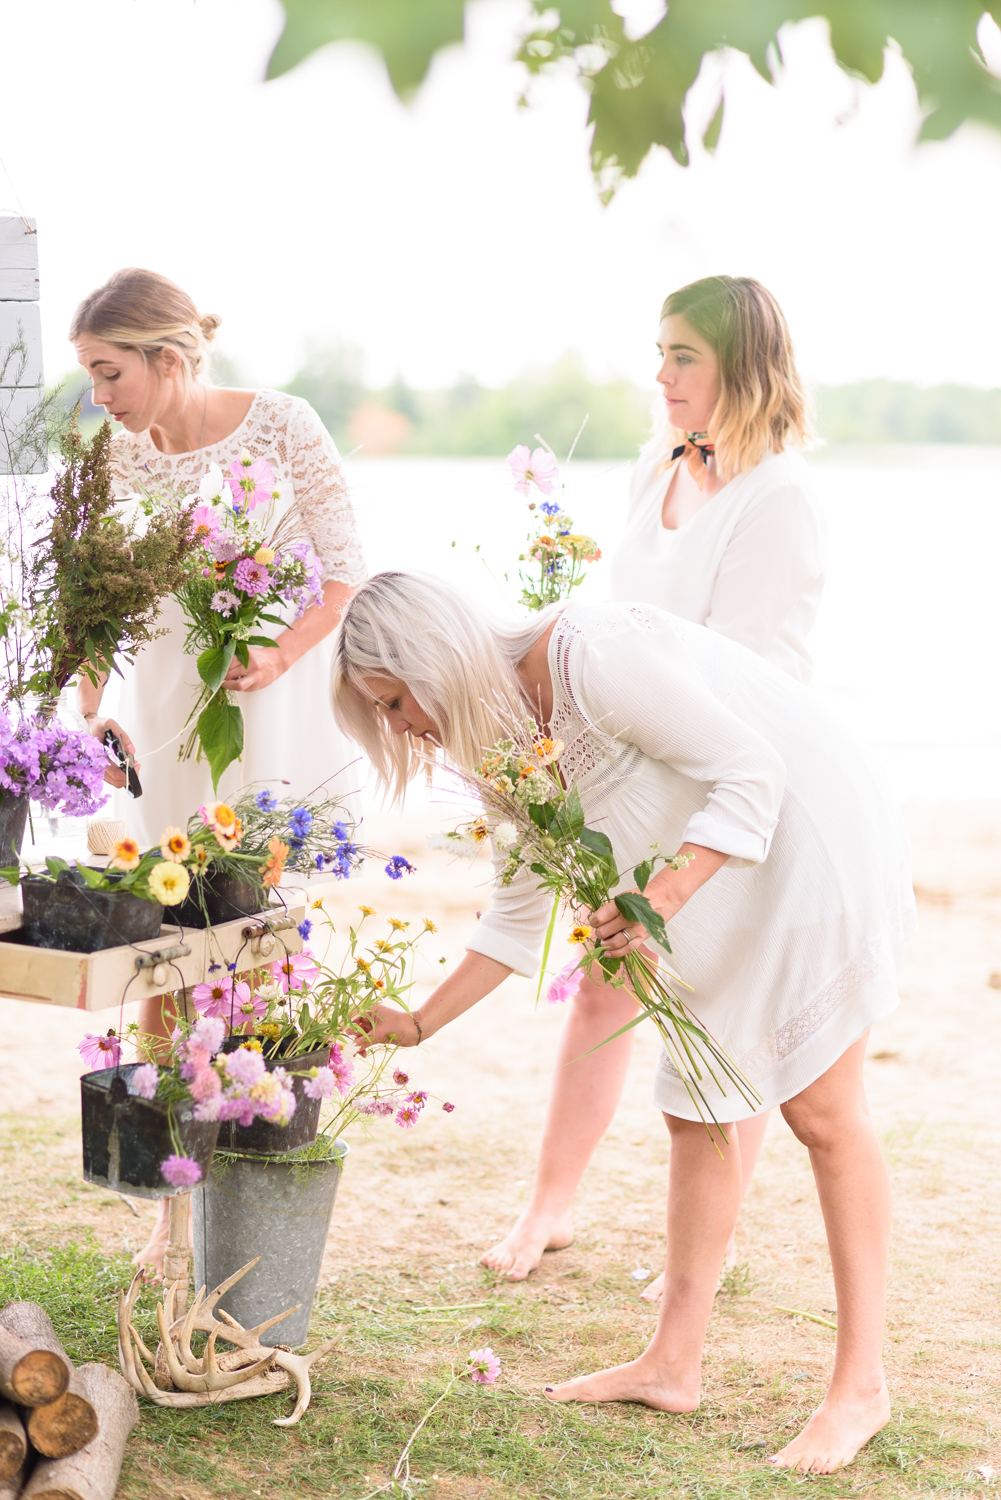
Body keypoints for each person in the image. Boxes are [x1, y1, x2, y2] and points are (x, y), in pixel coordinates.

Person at [332, 570, 916, 1475]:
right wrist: (417, 1024)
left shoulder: (591, 656)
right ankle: (671, 1363)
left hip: (805, 842)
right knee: (699, 1108)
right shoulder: (499, 742)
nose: (403, 727)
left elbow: (753, 767)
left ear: (431, 658)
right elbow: (519, 910)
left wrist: (662, 894)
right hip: (713, 885)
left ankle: (860, 1388)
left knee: (822, 1117)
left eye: (398, 701)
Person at [485, 275, 827, 1289]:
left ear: (741, 364)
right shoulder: (656, 467)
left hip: (735, 782)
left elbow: (744, 680)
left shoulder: (780, 499)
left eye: (681, 355)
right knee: (599, 981)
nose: (659, 374)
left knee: (726, 1006)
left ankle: (706, 1250)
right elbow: (620, 619)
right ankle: (549, 1206)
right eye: (659, 353)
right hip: (641, 766)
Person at [71, 268, 366, 1269]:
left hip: (262, 708)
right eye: (90, 377)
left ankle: (256, 1173)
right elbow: (99, 595)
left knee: (258, 943)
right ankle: (168, 1198)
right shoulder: (115, 452)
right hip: (160, 711)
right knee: (164, 944)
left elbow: (342, 573)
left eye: (109, 373)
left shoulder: (283, 425)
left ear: (167, 358)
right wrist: (88, 704)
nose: (99, 396)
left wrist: (281, 653)